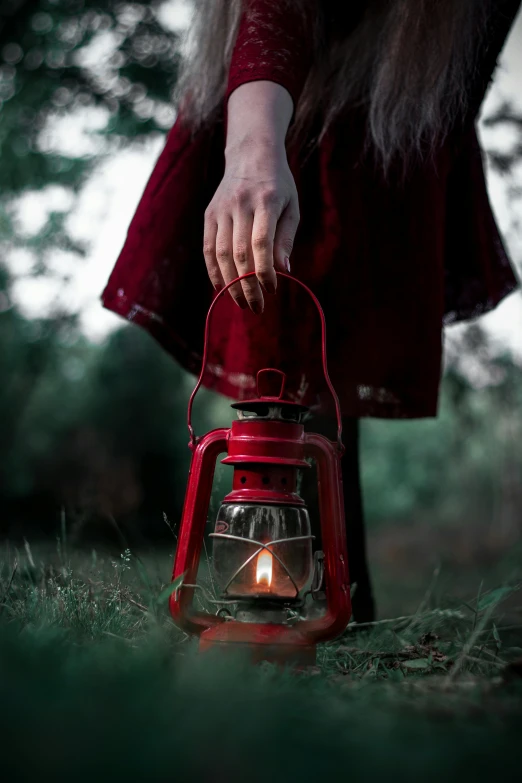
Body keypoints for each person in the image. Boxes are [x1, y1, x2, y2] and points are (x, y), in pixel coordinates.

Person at [102, 0, 521, 622]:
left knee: (336, 351)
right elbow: (279, 12)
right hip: (276, 108)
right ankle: (298, 590)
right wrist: (250, 151)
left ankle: (329, 585)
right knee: (272, 300)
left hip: (401, 121)